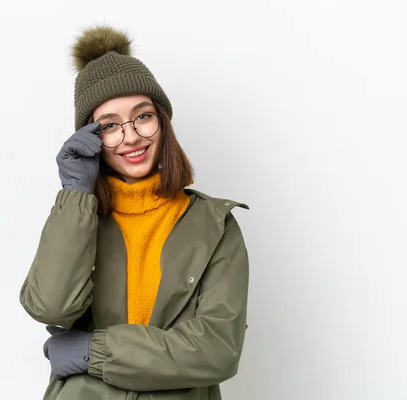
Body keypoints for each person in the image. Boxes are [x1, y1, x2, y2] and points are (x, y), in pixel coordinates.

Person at [20, 25, 250, 400]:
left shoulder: (215, 224)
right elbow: (52, 307)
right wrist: (76, 194)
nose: (130, 136)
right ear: (92, 139)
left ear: (162, 122)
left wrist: (92, 353)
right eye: (109, 125)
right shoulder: (79, 218)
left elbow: (218, 350)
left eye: (142, 116)